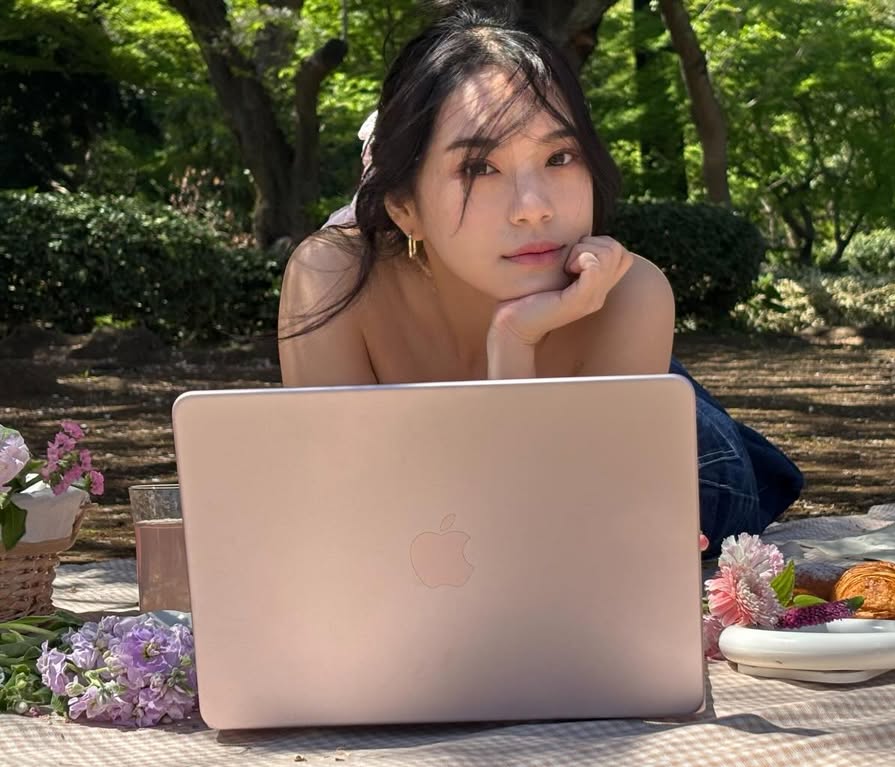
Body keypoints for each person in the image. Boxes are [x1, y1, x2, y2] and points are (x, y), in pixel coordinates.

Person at [277, 5, 803, 557]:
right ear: (405, 207)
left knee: (697, 494)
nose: (533, 207)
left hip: (678, 458)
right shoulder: (333, 281)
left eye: (560, 156)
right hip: (538, 471)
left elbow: (546, 550)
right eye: (478, 167)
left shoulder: (628, 297)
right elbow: (340, 515)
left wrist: (513, 341)